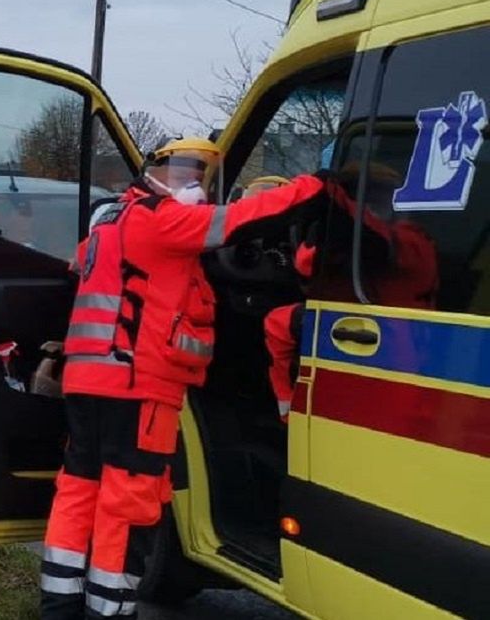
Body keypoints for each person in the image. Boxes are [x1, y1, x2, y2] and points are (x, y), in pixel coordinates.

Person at [41, 138, 335, 620]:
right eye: (182, 170)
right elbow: (241, 219)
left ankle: (60, 605)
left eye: (200, 173)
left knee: (78, 489)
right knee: (127, 504)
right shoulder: (165, 221)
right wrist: (314, 186)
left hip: (88, 382)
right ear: (151, 173)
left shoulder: (108, 224)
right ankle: (108, 611)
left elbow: (80, 268)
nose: (193, 182)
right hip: (140, 388)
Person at [263, 162, 438, 423]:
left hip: (386, 347)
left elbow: (306, 265)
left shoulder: (401, 240)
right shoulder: (413, 238)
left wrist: (329, 199)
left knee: (278, 323)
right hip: (404, 344)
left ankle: (289, 410)